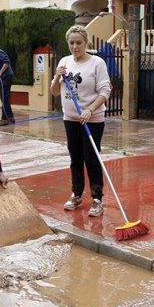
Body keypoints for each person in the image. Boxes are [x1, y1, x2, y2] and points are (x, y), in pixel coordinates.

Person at [50, 25, 111, 217]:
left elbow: (105, 91)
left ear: (86, 43)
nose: (75, 46)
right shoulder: (65, 62)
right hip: (70, 118)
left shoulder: (97, 63)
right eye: (71, 43)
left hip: (92, 119)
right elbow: (54, 91)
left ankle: (97, 198)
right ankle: (76, 194)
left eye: (79, 43)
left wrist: (90, 110)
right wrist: (57, 76)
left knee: (91, 158)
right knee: (75, 158)